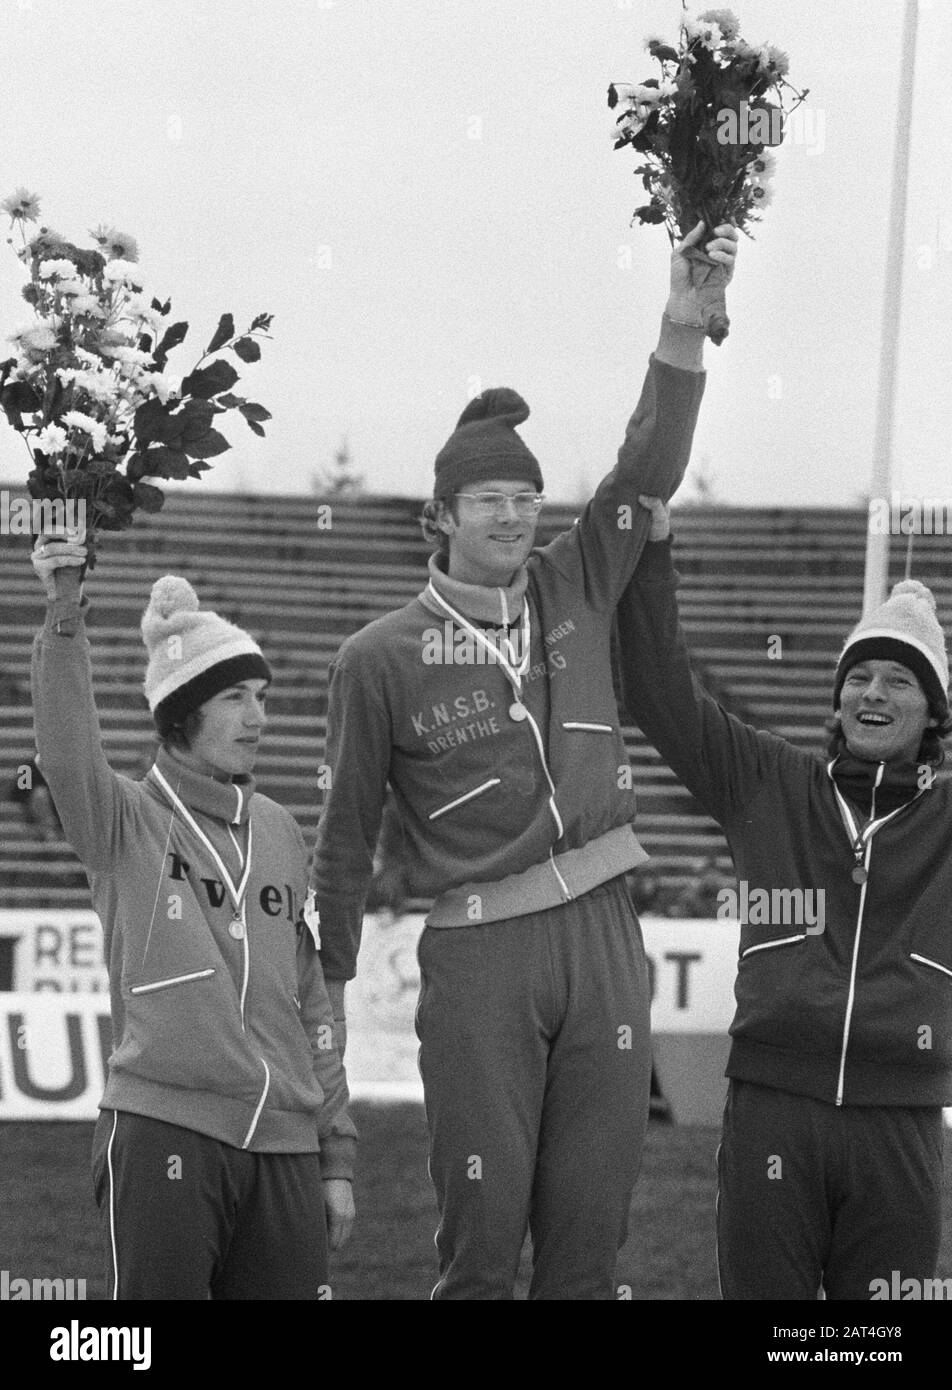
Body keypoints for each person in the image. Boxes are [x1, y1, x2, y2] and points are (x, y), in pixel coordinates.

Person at [308, 221, 738, 1299]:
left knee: (592, 1239)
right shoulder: (379, 657)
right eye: (489, 500)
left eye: (524, 496)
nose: (513, 513)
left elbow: (643, 467)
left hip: (603, 930)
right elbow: (348, 831)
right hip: (478, 950)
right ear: (438, 517)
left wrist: (679, 330)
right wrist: (324, 974)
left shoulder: (574, 583)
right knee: (483, 1243)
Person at [617, 495, 952, 1300]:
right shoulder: (769, 780)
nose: (872, 692)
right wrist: (653, 558)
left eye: (899, 679)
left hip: (900, 1122)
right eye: (858, 676)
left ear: (934, 710)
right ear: (836, 698)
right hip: (773, 1108)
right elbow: (662, 696)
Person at [30, 534, 356, 1301]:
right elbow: (68, 750)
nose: (258, 717)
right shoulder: (125, 822)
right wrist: (64, 609)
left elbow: (310, 1002)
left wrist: (335, 1153)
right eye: (235, 698)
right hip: (163, 1128)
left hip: (284, 1145)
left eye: (264, 698)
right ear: (181, 715)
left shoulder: (279, 828)